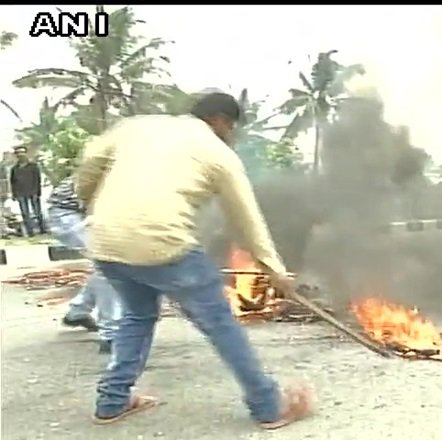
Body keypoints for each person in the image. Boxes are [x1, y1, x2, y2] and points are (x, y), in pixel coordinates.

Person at [76, 93, 313, 429]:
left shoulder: (136, 126)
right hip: (164, 246)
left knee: (137, 314)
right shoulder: (218, 153)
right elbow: (246, 219)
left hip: (105, 241)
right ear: (220, 120)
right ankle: (269, 406)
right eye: (232, 127)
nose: (231, 135)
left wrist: (92, 204)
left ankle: (111, 402)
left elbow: (90, 162)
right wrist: (274, 270)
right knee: (220, 323)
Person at [47, 176, 122, 353]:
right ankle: (111, 333)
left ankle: (78, 312)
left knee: (104, 264)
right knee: (108, 262)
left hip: (84, 210)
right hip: (68, 212)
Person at [10, 146, 46, 236]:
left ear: (26, 154)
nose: (20, 154)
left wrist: (38, 192)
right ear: (16, 155)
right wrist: (14, 194)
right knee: (25, 214)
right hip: (20, 193)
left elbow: (38, 179)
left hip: (33, 191)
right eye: (18, 153)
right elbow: (13, 182)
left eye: (22, 152)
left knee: (37, 212)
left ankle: (42, 229)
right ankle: (30, 232)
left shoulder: (33, 166)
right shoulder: (14, 169)